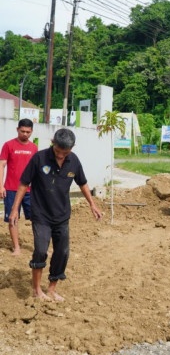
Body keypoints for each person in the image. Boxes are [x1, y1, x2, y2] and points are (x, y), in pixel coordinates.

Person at [9, 128, 102, 302]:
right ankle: (37, 290)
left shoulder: (73, 161)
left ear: (72, 147)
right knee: (40, 251)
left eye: (64, 153)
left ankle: (51, 289)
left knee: (62, 252)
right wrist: (15, 209)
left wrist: (92, 204)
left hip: (62, 215)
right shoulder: (39, 158)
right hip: (41, 214)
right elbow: (23, 183)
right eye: (58, 151)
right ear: (53, 142)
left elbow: (82, 183)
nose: (60, 156)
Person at [0, 118, 38, 255]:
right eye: (22, 131)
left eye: (28, 132)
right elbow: (2, 165)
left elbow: (36, 170)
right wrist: (1, 186)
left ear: (32, 131)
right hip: (11, 189)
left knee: (36, 218)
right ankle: (16, 247)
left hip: (29, 190)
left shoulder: (34, 148)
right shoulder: (8, 145)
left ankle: (39, 247)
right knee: (13, 217)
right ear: (17, 130)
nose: (25, 134)